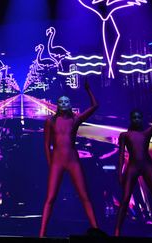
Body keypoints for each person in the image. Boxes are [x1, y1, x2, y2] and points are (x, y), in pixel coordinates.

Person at [40, 80, 100, 237]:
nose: (63, 103)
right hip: (57, 162)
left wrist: (88, 90)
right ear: (57, 105)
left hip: (73, 161)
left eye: (66, 101)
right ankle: (41, 234)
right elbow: (46, 145)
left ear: (70, 103)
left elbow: (95, 106)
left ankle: (96, 231)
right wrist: (49, 163)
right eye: (60, 101)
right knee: (50, 198)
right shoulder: (50, 121)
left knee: (84, 196)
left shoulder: (75, 119)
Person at [115, 83, 152, 236]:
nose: (136, 119)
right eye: (134, 117)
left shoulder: (146, 133)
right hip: (132, 167)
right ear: (131, 119)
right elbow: (120, 155)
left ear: (141, 119)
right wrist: (119, 172)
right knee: (125, 199)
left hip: (146, 165)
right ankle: (117, 230)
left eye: (138, 117)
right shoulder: (124, 135)